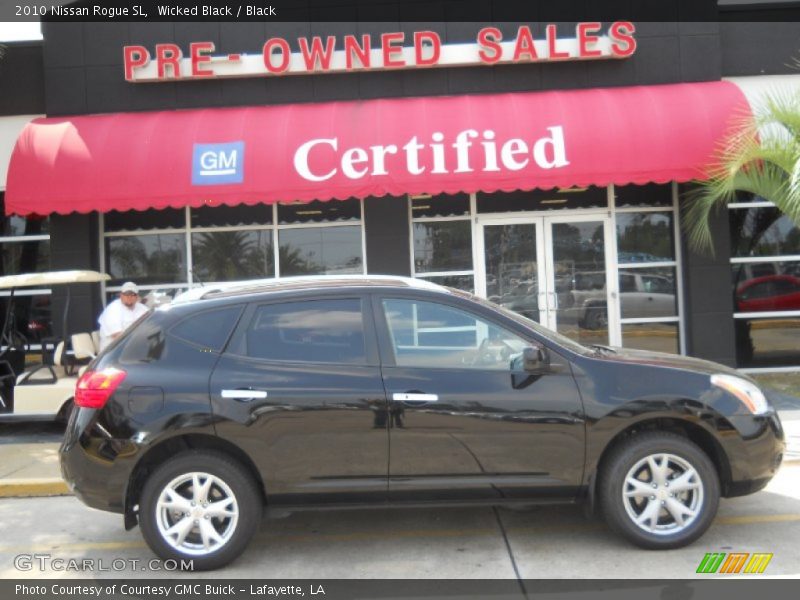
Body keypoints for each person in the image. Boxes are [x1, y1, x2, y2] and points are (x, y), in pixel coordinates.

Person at [97, 281, 149, 351]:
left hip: (135, 349)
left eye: (132, 294)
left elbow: (153, 325)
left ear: (136, 296)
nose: (129, 297)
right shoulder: (113, 309)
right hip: (112, 353)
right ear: (121, 295)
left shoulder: (143, 308)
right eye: (126, 294)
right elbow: (118, 337)